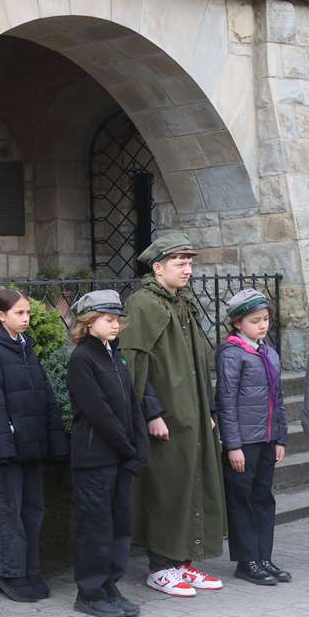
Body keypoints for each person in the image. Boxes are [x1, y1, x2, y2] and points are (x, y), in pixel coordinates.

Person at [120, 232, 226, 596]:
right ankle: (161, 567)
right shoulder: (142, 304)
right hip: (165, 415)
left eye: (190, 263)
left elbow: (198, 363)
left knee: (193, 482)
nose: (188, 269)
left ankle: (183, 562)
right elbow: (137, 364)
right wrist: (151, 412)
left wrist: (208, 408)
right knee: (166, 487)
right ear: (157, 267)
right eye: (180, 263)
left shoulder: (183, 302)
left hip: (191, 411)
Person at [0, 289, 68, 603]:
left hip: (31, 447)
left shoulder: (26, 348)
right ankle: (11, 572)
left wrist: (54, 441)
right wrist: (3, 448)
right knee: (8, 511)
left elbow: (44, 396)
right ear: (1, 316)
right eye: (20, 313)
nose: (26, 318)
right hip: (8, 451)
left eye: (28, 313)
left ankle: (30, 569)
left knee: (33, 509)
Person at [65, 291, 148, 617]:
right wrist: (128, 448)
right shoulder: (82, 359)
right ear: (88, 323)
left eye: (117, 320)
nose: (115, 325)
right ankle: (90, 592)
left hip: (120, 457)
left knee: (119, 525)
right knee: (96, 527)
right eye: (108, 320)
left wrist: (139, 447)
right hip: (95, 458)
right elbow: (98, 413)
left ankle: (109, 585)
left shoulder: (115, 355)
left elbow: (133, 404)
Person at [216, 288, 289, 586]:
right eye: (255, 321)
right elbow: (226, 402)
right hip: (244, 442)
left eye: (265, 319)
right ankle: (247, 561)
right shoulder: (232, 354)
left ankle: (263, 557)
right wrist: (233, 445)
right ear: (238, 323)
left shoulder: (268, 352)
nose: (262, 325)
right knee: (242, 500)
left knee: (263, 498)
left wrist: (280, 437)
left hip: (267, 439)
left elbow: (278, 399)